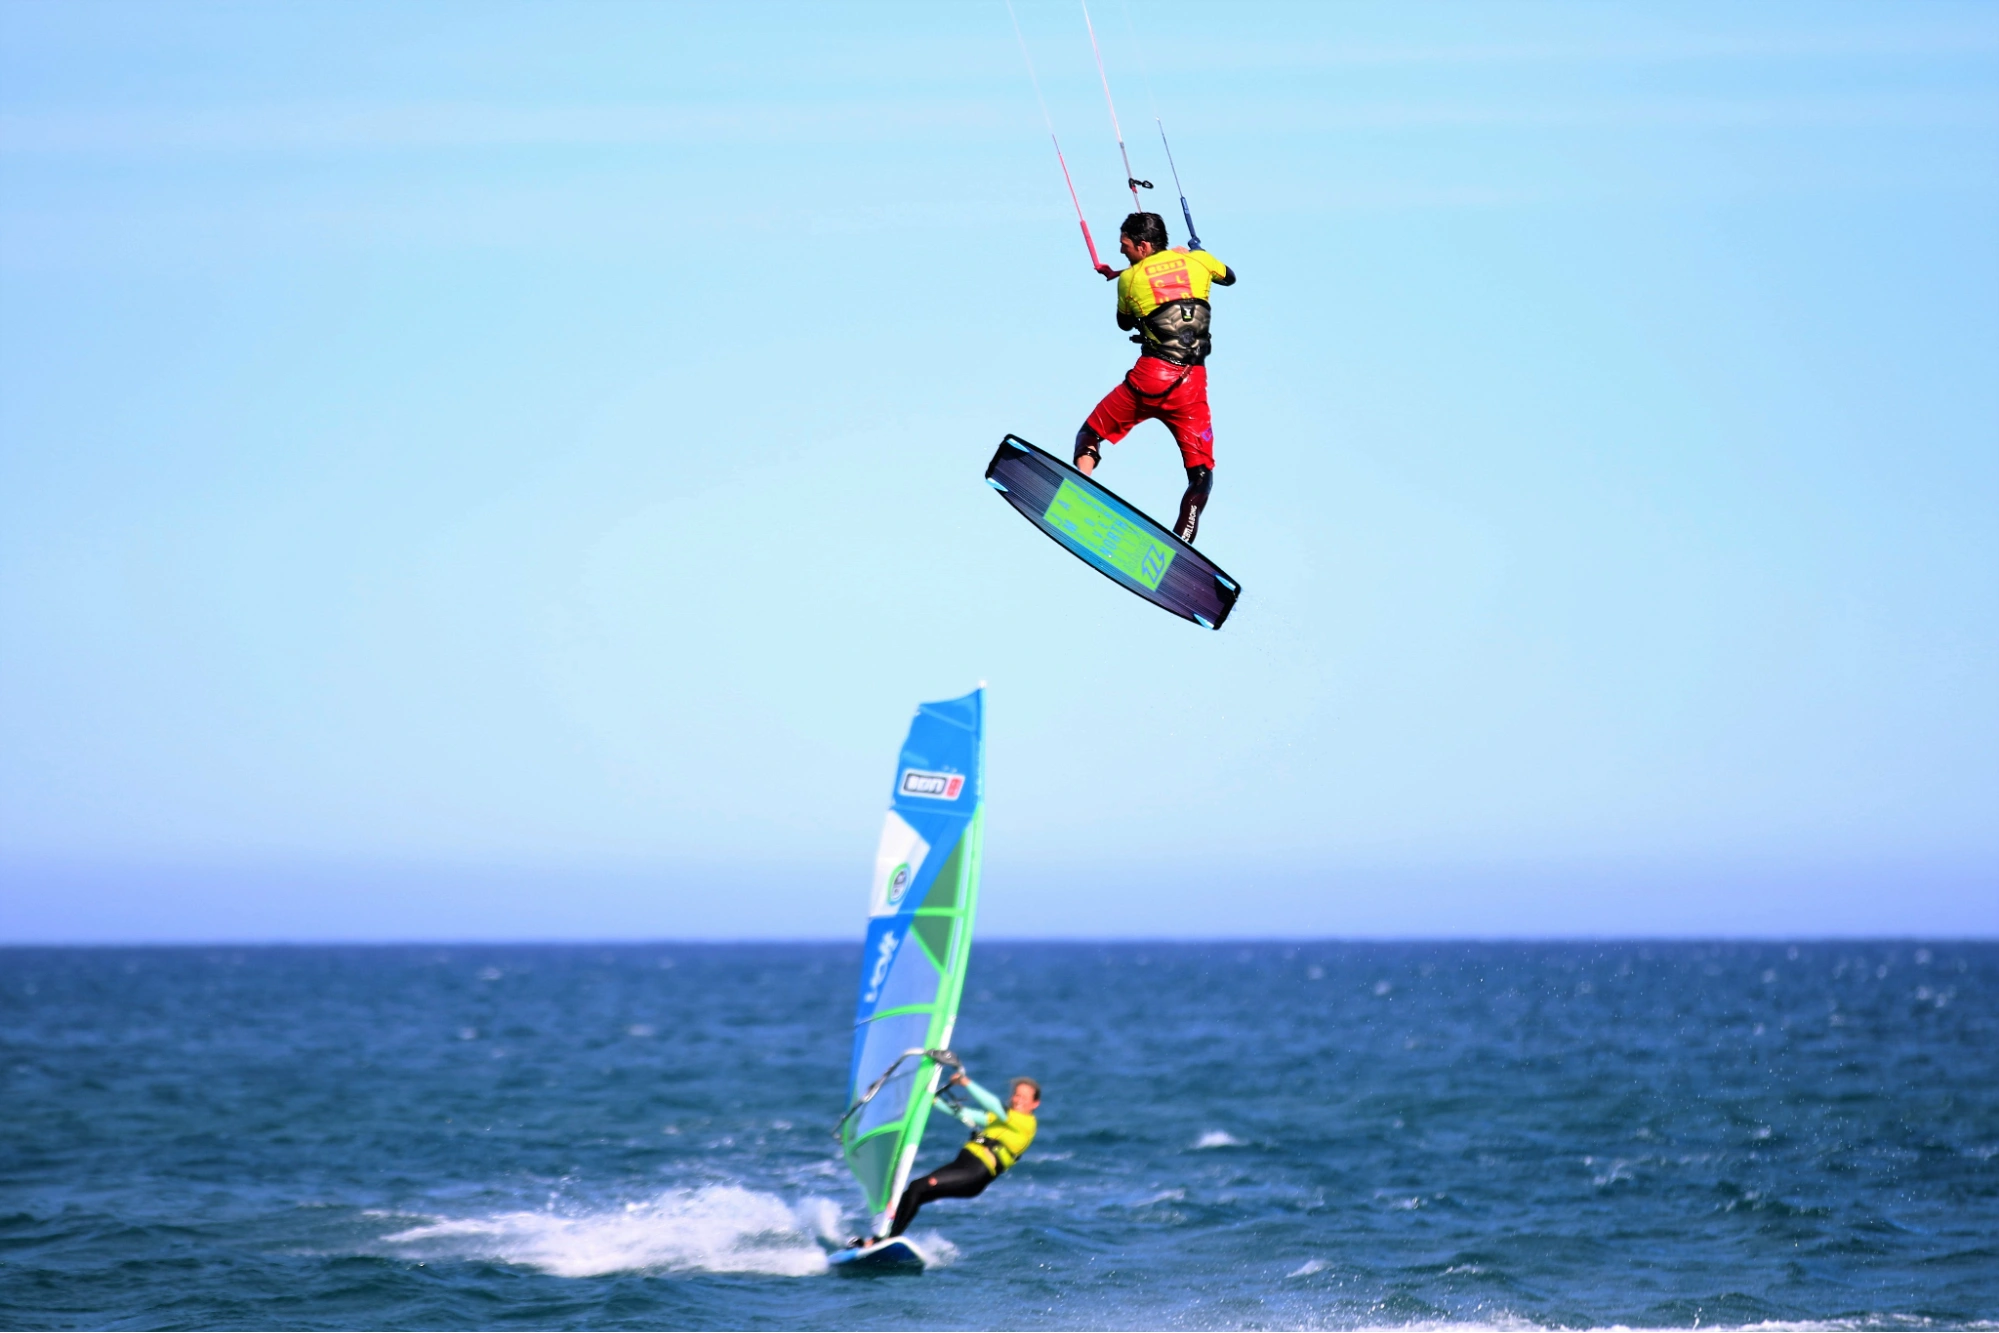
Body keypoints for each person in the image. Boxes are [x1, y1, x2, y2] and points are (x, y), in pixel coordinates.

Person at [1074, 212, 1236, 544]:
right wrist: (1191, 254)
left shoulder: (1129, 280)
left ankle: (1081, 490)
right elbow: (1229, 277)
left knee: (1091, 433)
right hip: (1191, 387)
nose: (1121, 253)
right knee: (1201, 475)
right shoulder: (1200, 262)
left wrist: (1124, 274)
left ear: (1143, 246)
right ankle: (1182, 543)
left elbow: (1124, 322)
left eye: (1125, 246)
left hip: (1149, 380)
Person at [853, 1072, 1040, 1244]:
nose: (1017, 1100)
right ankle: (878, 1239)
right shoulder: (1001, 1118)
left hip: (974, 1174)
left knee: (919, 1187)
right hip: (962, 1166)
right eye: (1016, 1095)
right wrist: (932, 1100)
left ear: (1034, 1104)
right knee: (913, 1192)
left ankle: (889, 1240)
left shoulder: (1026, 1124)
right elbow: (964, 1113)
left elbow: (992, 1103)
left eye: (1024, 1097)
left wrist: (966, 1082)